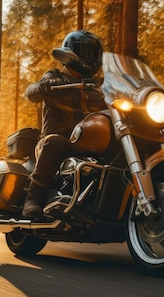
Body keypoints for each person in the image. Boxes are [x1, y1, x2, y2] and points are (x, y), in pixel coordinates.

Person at [22, 30, 106, 218]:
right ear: (71, 53)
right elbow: (31, 92)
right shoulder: (54, 77)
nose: (91, 57)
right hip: (55, 141)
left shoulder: (96, 87)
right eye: (87, 51)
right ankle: (32, 197)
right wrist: (44, 86)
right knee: (56, 142)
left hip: (85, 143)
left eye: (94, 53)